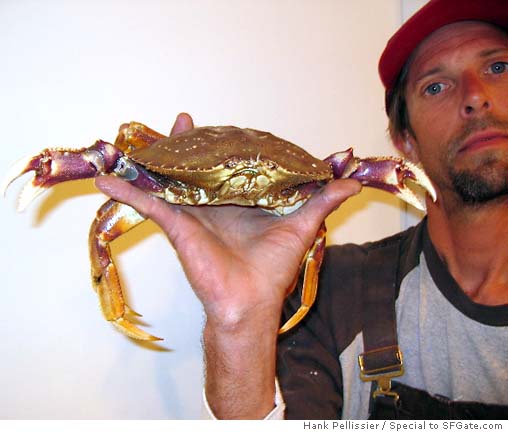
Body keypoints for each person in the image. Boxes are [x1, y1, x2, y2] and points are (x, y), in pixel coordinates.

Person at [95, 0, 508, 420]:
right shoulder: (332, 291)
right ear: (403, 141)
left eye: (499, 67)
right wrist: (240, 319)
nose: (476, 96)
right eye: (435, 86)